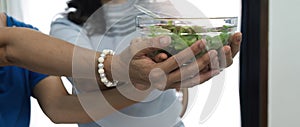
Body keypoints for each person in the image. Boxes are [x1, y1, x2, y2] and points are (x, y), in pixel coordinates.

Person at [0, 12, 223, 127]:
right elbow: (9, 47)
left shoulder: (26, 31)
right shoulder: (37, 35)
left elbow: (59, 107)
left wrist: (143, 87)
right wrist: (118, 66)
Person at [50, 0, 242, 127]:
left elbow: (181, 58)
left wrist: (199, 55)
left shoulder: (156, 14)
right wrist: (147, 79)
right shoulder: (67, 26)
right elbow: (85, 80)